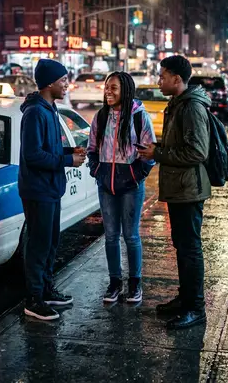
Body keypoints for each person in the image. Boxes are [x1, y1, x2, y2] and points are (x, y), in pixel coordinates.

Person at [139, 56, 211, 330]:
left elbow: (197, 151)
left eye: (162, 76)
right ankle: (186, 298)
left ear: (177, 79)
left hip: (189, 188)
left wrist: (157, 152)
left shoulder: (191, 107)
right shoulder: (179, 104)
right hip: (180, 187)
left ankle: (196, 308)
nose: (159, 81)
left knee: (190, 248)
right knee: (183, 246)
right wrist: (156, 148)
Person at [19, 59, 86, 321]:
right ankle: (34, 300)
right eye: (63, 80)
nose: (67, 84)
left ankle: (46, 290)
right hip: (37, 190)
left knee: (50, 243)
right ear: (49, 83)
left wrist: (69, 151)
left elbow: (49, 148)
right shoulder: (35, 113)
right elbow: (33, 155)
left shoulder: (50, 108)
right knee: (38, 245)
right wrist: (67, 160)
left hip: (51, 188)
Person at [87, 72, 156, 304]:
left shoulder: (139, 117)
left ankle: (135, 283)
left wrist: (136, 175)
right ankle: (114, 283)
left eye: (114, 88)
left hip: (131, 186)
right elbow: (91, 148)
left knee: (131, 235)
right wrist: (98, 170)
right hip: (106, 184)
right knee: (110, 236)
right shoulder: (101, 116)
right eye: (107, 87)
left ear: (125, 90)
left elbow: (149, 153)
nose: (108, 91)